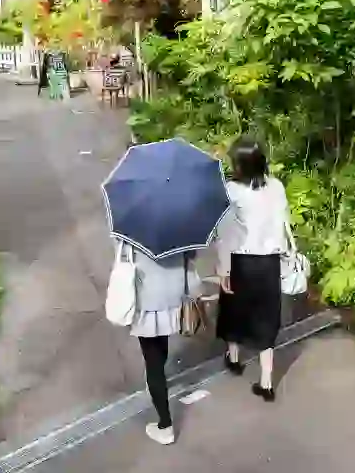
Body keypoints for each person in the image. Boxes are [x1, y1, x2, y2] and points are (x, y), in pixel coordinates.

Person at [215, 136, 293, 402]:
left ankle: (234, 359)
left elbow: (225, 234)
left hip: (241, 262)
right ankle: (267, 382)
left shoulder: (232, 191)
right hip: (268, 263)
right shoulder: (277, 187)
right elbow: (283, 224)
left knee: (233, 311)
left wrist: (224, 269)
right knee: (266, 319)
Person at [119, 240, 202, 445]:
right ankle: (156, 387)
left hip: (146, 300)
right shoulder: (178, 222)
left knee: (152, 364)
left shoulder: (132, 227)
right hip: (171, 297)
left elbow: (123, 259)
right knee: (161, 349)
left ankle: (165, 426)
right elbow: (190, 255)